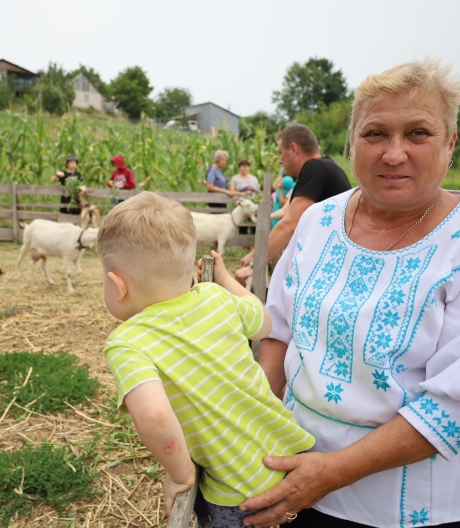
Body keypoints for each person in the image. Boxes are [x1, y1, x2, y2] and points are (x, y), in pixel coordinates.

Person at [239, 58, 460, 528]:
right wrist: (258, 424)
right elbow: (278, 326)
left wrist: (333, 471)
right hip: (300, 473)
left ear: (450, 144)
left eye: (418, 133)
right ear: (351, 142)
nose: (394, 153)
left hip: (427, 505)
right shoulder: (319, 221)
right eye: (375, 133)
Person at [98, 192, 315, 527]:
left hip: (237, 494)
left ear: (117, 285)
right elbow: (265, 322)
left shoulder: (128, 342)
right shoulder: (216, 297)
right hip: (291, 460)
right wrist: (227, 281)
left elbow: (155, 416)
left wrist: (180, 474)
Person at [235, 126, 351, 286]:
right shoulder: (328, 167)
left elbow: (290, 223)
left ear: (294, 149)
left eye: (280, 152)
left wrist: (256, 263)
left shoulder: (314, 168)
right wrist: (255, 255)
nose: (279, 160)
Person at [230, 159, 260, 239]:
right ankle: (243, 244)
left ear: (249, 168)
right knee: (242, 223)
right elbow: (232, 191)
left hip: (251, 203)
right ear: (239, 168)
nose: (244, 168)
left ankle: (253, 241)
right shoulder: (235, 178)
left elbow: (258, 191)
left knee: (253, 222)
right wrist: (242, 194)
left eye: (246, 167)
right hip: (241, 204)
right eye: (243, 167)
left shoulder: (254, 178)